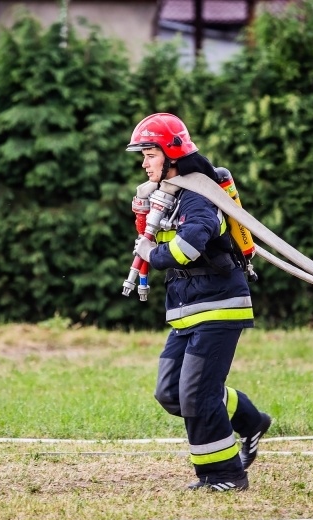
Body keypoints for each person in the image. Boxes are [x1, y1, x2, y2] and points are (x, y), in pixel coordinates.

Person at [127, 112, 271, 491]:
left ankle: (224, 476)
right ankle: (251, 421)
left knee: (197, 394)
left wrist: (152, 253)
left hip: (219, 305)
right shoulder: (170, 196)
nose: (143, 163)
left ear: (172, 154)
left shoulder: (199, 196)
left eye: (149, 154)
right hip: (187, 309)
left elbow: (190, 245)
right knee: (170, 391)